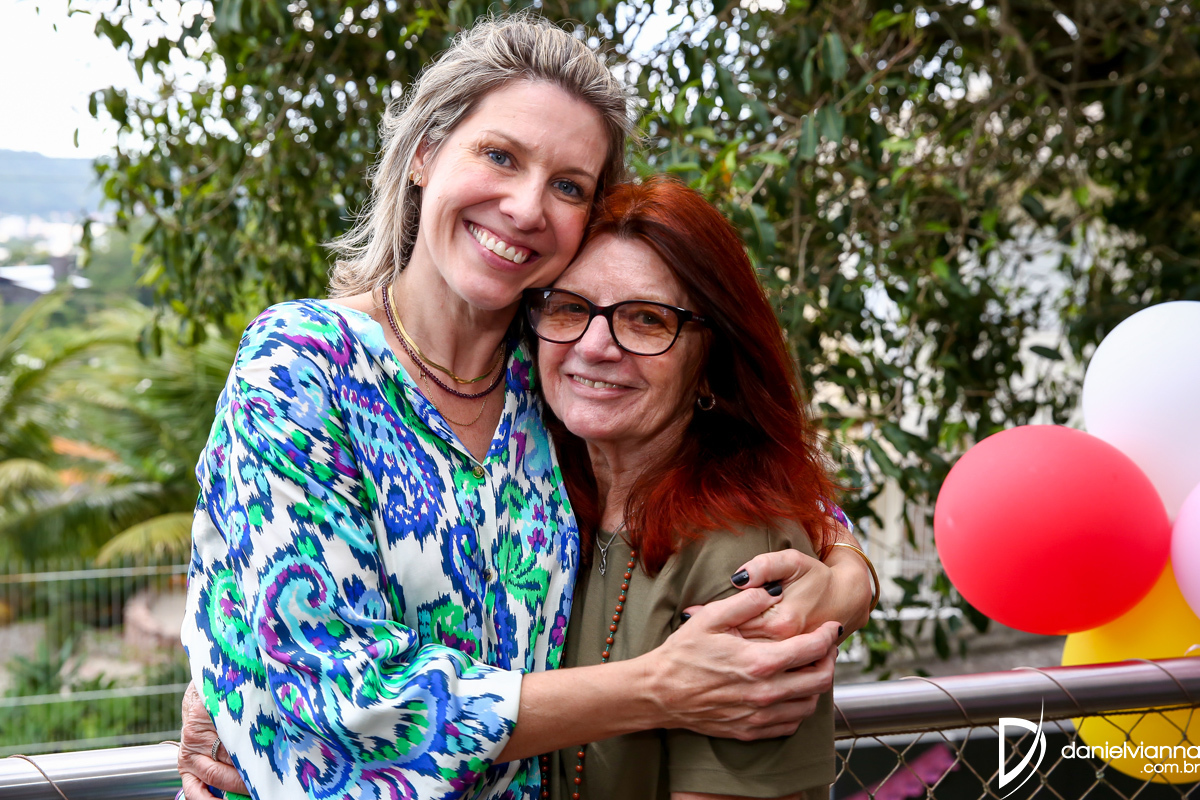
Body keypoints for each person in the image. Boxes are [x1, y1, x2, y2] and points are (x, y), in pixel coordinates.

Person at [177, 13, 875, 800]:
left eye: (569, 185)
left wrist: (847, 578)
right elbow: (343, 699)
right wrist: (659, 686)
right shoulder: (303, 363)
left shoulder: (554, 369)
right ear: (424, 154)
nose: (524, 205)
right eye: (500, 155)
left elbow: (742, 473)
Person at [529, 176, 866, 800]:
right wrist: (853, 563)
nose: (594, 346)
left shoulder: (745, 552)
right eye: (570, 307)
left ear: (711, 365)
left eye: (647, 319)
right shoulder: (529, 500)